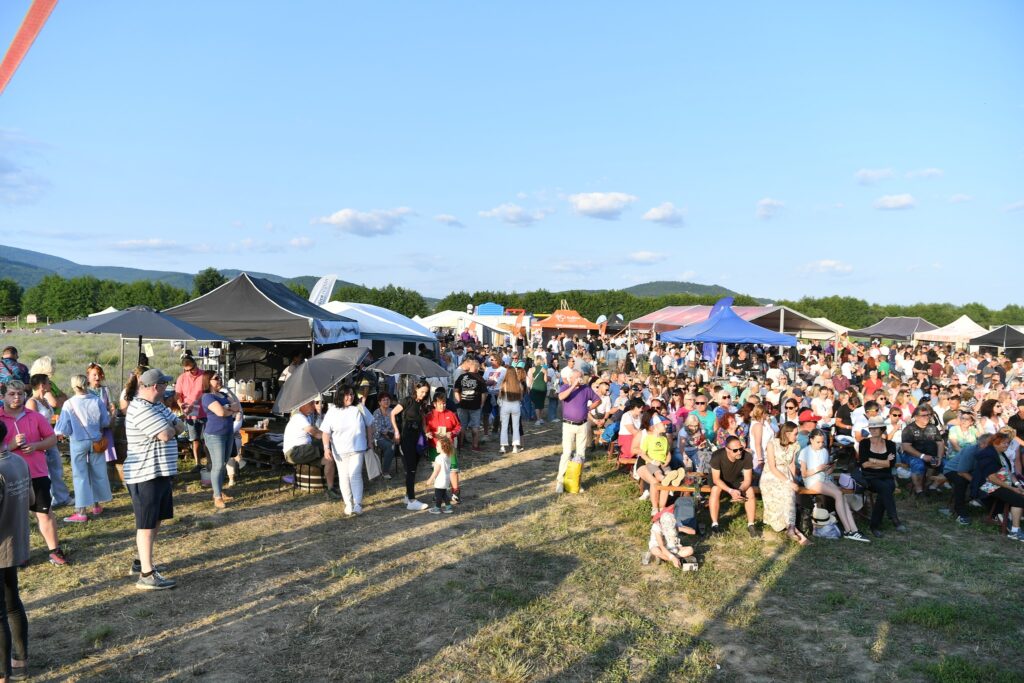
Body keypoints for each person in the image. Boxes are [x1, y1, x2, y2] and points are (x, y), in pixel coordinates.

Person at [124, 369, 185, 589]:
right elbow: (166, 434)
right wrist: (170, 427)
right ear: (155, 387)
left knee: (156, 519)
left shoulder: (157, 406)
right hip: (145, 473)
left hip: (160, 472)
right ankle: (147, 575)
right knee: (146, 524)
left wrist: (170, 427)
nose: (168, 388)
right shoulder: (140, 408)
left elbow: (180, 426)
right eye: (165, 384)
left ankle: (142, 562)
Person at [0, 379, 68, 567]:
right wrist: (11, 445)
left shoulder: (35, 416)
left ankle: (54, 551)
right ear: (3, 396)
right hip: (8, 476)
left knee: (44, 512)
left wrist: (36, 446)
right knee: (12, 517)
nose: (16, 398)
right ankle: (18, 554)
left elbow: (51, 439)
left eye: (20, 394)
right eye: (12, 394)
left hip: (36, 472)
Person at [53, 374, 113, 523]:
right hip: (96, 440)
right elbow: (105, 422)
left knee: (80, 476)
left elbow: (62, 429)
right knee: (98, 472)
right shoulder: (96, 400)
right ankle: (97, 506)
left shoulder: (69, 403)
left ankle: (81, 512)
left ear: (73, 386)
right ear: (86, 383)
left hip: (78, 442)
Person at [798, 429, 870, 542]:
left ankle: (854, 529)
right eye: (818, 442)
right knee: (838, 494)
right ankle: (848, 530)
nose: (821, 444)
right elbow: (804, 474)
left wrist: (831, 467)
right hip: (812, 480)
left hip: (824, 478)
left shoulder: (824, 451)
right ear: (811, 440)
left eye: (822, 442)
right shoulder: (805, 452)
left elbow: (827, 472)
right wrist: (818, 468)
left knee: (841, 495)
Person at [0, 421, 30, 682]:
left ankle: (3, 674)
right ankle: (20, 659)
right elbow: (31, 499)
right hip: (14, 545)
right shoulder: (19, 462)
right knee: (12, 604)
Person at [321, 386, 373, 517]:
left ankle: (357, 504)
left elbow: (370, 424)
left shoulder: (359, 408)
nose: (350, 397)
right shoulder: (332, 411)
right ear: (340, 396)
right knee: (344, 477)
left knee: (355, 475)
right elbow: (325, 432)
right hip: (340, 450)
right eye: (346, 394)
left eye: (351, 394)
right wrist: (326, 448)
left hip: (358, 448)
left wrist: (370, 442)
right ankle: (348, 504)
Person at [25, 373, 72, 509]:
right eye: (48, 382)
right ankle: (50, 498)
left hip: (50, 438)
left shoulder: (44, 400)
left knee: (56, 469)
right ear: (42, 385)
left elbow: (47, 419)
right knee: (45, 472)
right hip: (41, 442)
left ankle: (61, 497)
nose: (50, 385)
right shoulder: (32, 403)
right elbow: (32, 424)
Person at [759, 422, 809, 545]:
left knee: (789, 494)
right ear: (787, 433)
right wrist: (788, 482)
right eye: (795, 434)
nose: (797, 436)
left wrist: (794, 481)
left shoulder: (794, 445)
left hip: (786, 474)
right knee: (786, 493)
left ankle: (791, 527)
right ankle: (794, 530)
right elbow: (772, 467)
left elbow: (791, 465)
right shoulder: (772, 444)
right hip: (771, 476)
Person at [857, 417, 906, 537]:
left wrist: (872, 461)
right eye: (871, 428)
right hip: (869, 476)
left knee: (886, 488)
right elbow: (864, 464)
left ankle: (874, 526)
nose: (873, 430)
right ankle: (894, 518)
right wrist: (884, 462)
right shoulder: (864, 443)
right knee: (886, 488)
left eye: (876, 428)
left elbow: (891, 464)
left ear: (882, 429)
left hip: (886, 476)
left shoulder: (890, 444)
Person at [971, 432, 1024, 540]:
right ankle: (1015, 531)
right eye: (1004, 443)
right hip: (986, 485)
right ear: (995, 443)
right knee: (1019, 499)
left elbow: (1007, 472)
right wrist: (1013, 489)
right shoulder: (987, 454)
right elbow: (991, 478)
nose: (1007, 445)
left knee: (1021, 492)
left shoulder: (1000, 453)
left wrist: (1018, 484)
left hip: (999, 482)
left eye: (1008, 443)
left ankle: (1008, 516)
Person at [554, 369, 600, 494]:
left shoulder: (586, 389)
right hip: (568, 425)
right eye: (576, 377)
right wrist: (573, 386)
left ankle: (577, 482)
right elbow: (561, 397)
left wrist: (588, 408)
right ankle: (560, 481)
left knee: (581, 454)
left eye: (581, 377)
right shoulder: (565, 387)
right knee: (567, 453)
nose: (579, 379)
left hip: (582, 425)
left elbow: (597, 400)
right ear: (571, 378)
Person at [200, 372, 240, 510]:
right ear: (208, 381)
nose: (220, 380)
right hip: (214, 435)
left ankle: (219, 491)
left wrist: (228, 402)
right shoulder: (207, 397)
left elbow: (237, 406)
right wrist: (229, 409)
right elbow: (221, 413)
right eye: (216, 378)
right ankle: (217, 497)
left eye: (220, 377)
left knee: (223, 464)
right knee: (218, 465)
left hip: (228, 433)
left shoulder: (223, 395)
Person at [391, 380, 431, 511]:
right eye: (422, 391)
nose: (423, 394)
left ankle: (408, 496)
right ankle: (412, 500)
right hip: (406, 438)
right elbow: (393, 413)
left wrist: (426, 432)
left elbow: (423, 420)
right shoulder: (407, 401)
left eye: (426, 393)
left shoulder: (422, 404)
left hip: (418, 438)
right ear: (416, 389)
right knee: (410, 469)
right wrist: (396, 431)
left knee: (413, 468)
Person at [708, 436, 760, 537]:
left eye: (741, 448)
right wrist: (731, 491)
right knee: (715, 489)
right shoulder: (717, 456)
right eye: (735, 450)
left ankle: (751, 525)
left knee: (749, 490)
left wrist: (739, 491)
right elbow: (716, 479)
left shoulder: (747, 456)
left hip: (735, 478)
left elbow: (748, 480)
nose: (739, 452)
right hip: (719, 479)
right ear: (727, 449)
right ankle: (714, 525)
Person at [424, 390, 462, 503]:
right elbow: (426, 429)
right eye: (440, 403)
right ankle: (439, 494)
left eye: (444, 403)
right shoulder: (429, 416)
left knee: (453, 469)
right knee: (437, 470)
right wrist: (429, 434)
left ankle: (455, 493)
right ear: (434, 404)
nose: (443, 406)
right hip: (434, 447)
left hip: (449, 447)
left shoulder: (451, 414)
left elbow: (458, 427)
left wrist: (452, 433)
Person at [900, 404, 945, 498]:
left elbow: (940, 443)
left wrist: (939, 458)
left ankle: (932, 487)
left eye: (928, 415)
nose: (927, 417)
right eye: (923, 415)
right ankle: (919, 491)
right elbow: (906, 447)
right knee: (918, 464)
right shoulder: (909, 429)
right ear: (916, 417)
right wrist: (922, 456)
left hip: (931, 456)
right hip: (913, 455)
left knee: (948, 466)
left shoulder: (933, 428)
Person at [174, 356, 206, 468]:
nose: (190, 372)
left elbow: (207, 392)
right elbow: (178, 395)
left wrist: (195, 403)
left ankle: (210, 463)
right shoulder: (182, 378)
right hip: (190, 413)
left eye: (192, 369)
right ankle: (198, 464)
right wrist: (180, 404)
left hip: (205, 411)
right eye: (187, 370)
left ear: (195, 364)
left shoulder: (204, 375)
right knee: (195, 439)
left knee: (207, 439)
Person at [453, 359, 485, 452]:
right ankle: (475, 446)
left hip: (463, 405)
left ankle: (460, 445)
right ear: (476, 367)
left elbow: (456, 390)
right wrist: (482, 404)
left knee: (462, 425)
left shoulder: (462, 377)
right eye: (478, 367)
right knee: (475, 426)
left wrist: (459, 401)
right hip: (475, 406)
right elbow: (484, 393)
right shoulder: (480, 378)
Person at [425, 434, 455, 514]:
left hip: (440, 479)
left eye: (438, 446)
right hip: (446, 479)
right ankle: (448, 507)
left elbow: (436, 471)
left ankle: (437, 508)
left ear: (443, 447)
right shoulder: (448, 456)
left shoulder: (438, 458)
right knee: (444, 494)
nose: (436, 447)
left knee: (438, 495)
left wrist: (430, 480)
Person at [497, 367, 523, 454]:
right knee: (516, 427)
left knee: (504, 426)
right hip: (516, 405)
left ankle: (503, 447)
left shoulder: (503, 384)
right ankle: (515, 447)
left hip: (505, 405)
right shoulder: (518, 384)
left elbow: (500, 396)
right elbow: (521, 397)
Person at [372, 393, 396, 479]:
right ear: (379, 402)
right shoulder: (376, 412)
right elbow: (379, 428)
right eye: (384, 400)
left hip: (392, 435)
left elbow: (395, 425)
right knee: (390, 446)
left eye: (388, 399)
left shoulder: (392, 411)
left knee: (405, 442)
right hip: (379, 437)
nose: (386, 401)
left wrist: (395, 434)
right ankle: (385, 471)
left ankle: (408, 468)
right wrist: (391, 436)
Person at [527, 355, 549, 425]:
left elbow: (530, 380)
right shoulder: (544, 369)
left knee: (536, 404)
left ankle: (538, 419)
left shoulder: (531, 369)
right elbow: (545, 380)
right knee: (541, 403)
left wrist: (528, 388)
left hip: (535, 387)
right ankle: (541, 418)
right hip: (543, 387)